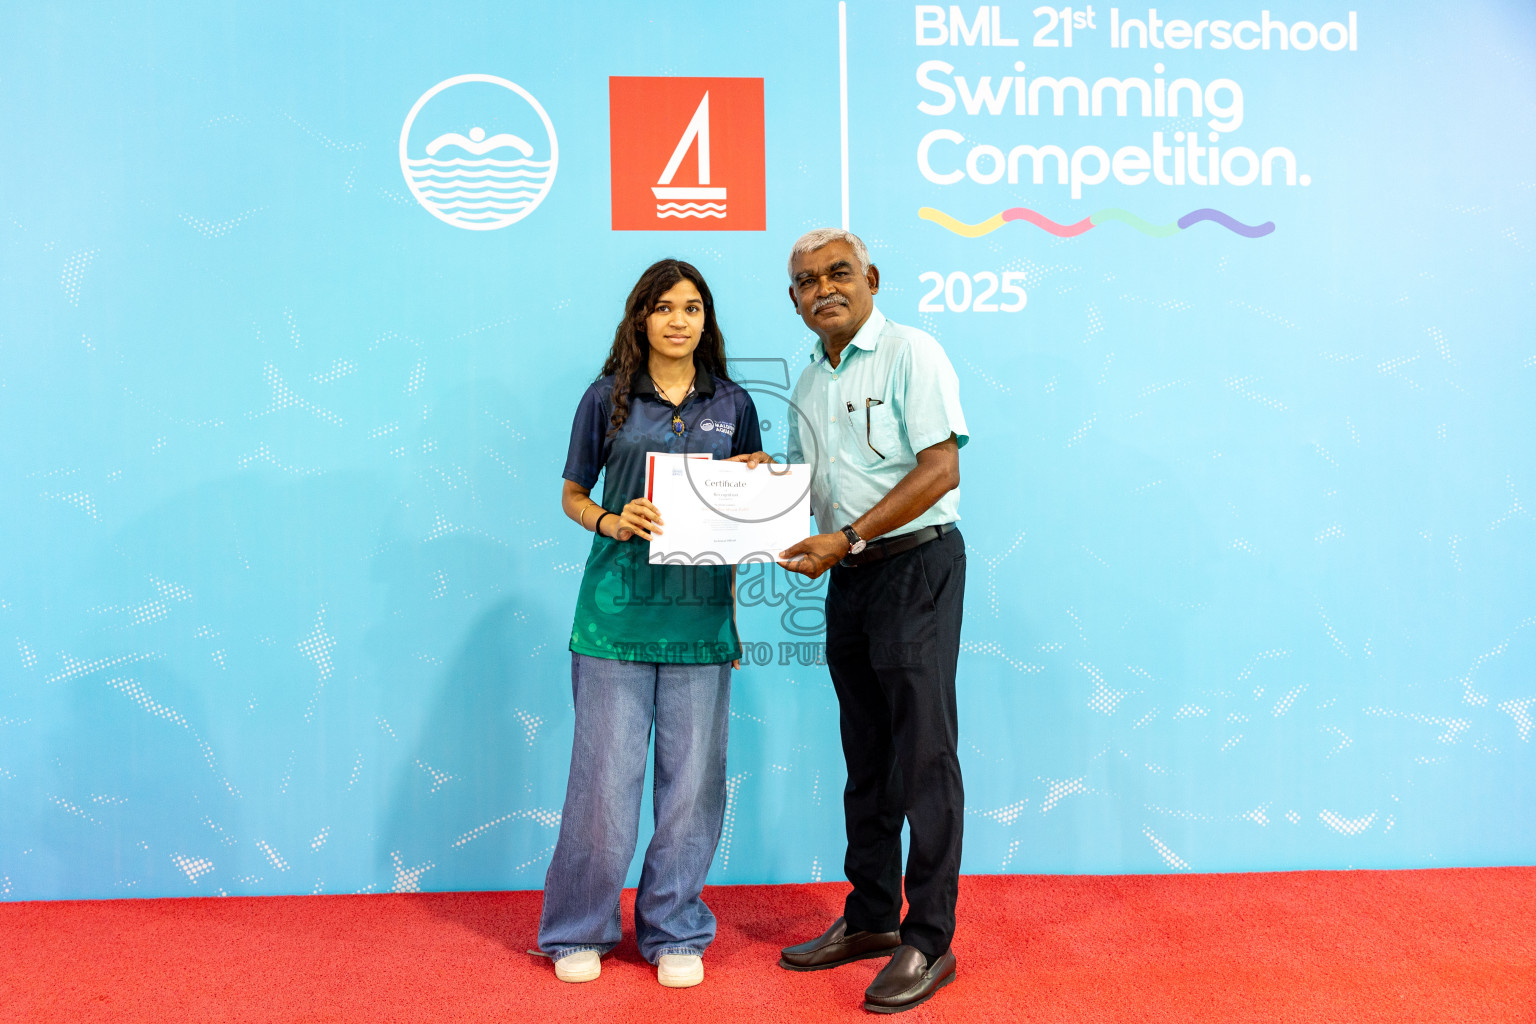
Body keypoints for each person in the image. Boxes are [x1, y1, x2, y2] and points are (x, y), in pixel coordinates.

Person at [538, 258, 762, 990]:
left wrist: (757, 484)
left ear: (707, 320)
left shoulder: (731, 403)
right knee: (602, 784)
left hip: (699, 622)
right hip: (614, 619)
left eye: (692, 307)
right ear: (640, 317)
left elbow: (743, 516)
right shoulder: (605, 398)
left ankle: (674, 930)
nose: (678, 319)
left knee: (693, 787)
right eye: (663, 307)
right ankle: (580, 928)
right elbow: (573, 492)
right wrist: (608, 516)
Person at [772, 228, 969, 1014]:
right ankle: (869, 920)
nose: (824, 287)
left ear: (871, 278)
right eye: (806, 280)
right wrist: (762, 485)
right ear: (794, 300)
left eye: (838, 273)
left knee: (923, 756)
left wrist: (851, 536)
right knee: (867, 757)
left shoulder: (912, 353)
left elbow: (941, 468)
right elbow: (801, 492)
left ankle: (929, 940)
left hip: (916, 568)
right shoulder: (808, 383)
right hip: (848, 580)